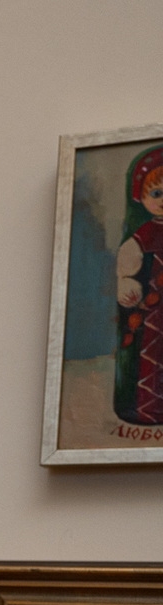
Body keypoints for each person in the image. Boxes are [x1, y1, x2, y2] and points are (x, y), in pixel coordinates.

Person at [115, 147, 163, 425]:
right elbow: (129, 255)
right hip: (157, 310)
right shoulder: (148, 231)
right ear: (142, 198)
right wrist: (126, 281)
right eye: (156, 193)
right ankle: (150, 407)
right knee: (154, 353)